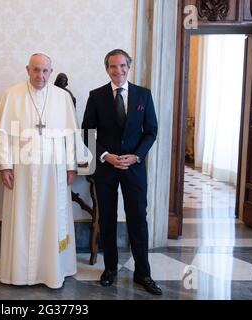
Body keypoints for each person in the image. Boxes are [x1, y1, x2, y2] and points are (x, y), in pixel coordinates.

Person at [0, 53, 78, 289]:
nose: (40, 75)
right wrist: (5, 165)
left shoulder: (62, 98)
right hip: (22, 171)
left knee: (52, 216)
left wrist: (72, 166)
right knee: (22, 216)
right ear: (27, 69)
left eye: (45, 71)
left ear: (51, 72)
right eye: (36, 70)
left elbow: (70, 135)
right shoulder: (12, 95)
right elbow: (4, 136)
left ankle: (52, 270)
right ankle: (20, 272)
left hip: (54, 172)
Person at [82, 49, 162, 295]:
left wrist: (136, 155)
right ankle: (110, 269)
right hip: (106, 169)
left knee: (138, 219)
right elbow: (87, 132)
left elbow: (151, 131)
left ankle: (143, 273)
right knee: (106, 218)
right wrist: (106, 156)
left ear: (129, 66)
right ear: (106, 69)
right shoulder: (95, 96)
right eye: (113, 67)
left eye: (122, 66)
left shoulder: (143, 95)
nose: (118, 71)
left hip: (134, 168)